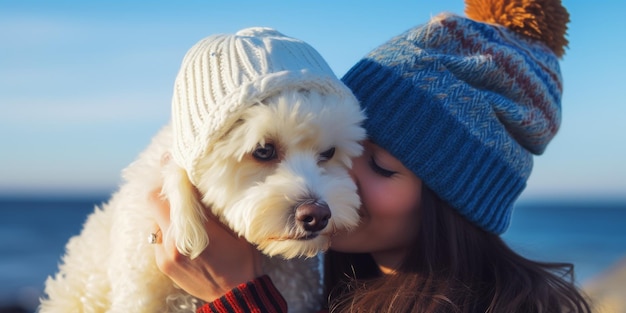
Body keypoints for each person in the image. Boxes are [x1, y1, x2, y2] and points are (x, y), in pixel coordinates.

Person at [151, 0, 593, 312]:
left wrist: (237, 296)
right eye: (333, 150)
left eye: (381, 166)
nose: (333, 177)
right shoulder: (342, 289)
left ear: (456, 201)